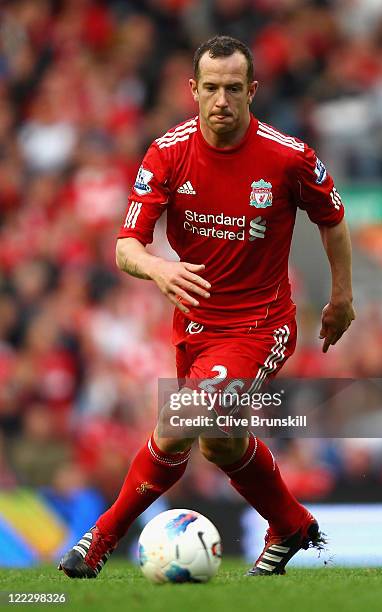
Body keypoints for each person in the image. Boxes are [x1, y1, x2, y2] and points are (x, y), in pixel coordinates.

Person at [59, 35, 355, 578]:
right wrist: (158, 267)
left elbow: (332, 219)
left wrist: (341, 297)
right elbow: (126, 246)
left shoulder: (288, 157)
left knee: (179, 422)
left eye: (234, 89)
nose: (222, 100)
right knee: (220, 444)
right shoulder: (167, 152)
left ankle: (98, 540)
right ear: (193, 90)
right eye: (212, 88)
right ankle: (291, 525)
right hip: (195, 327)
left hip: (261, 325)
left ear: (252, 92)